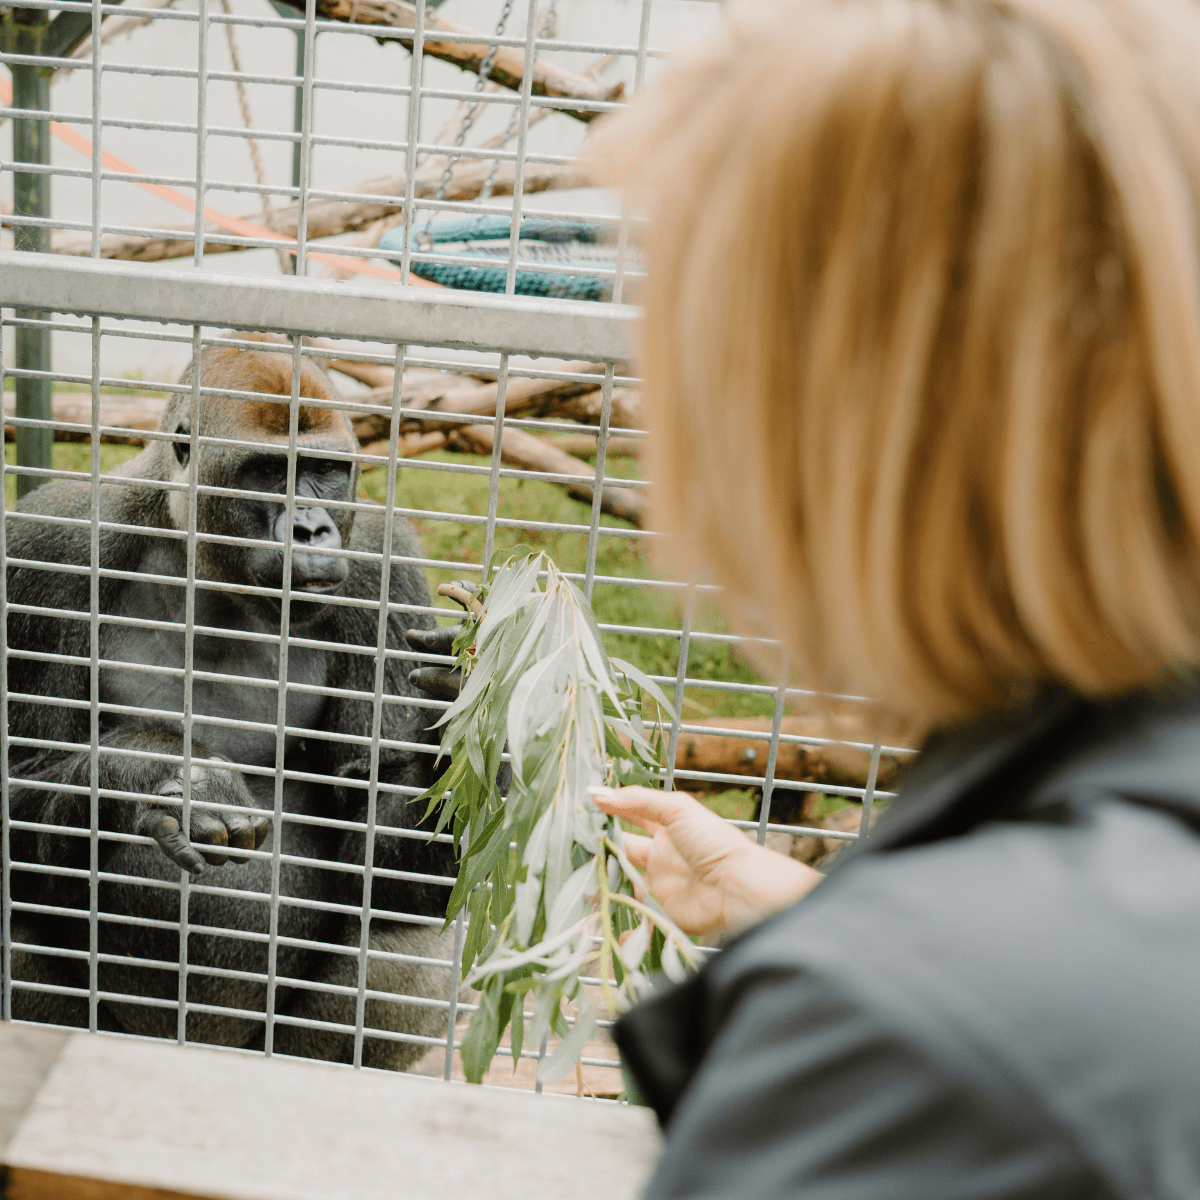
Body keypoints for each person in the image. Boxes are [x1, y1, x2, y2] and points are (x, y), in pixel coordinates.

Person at [583, 0, 1200, 1195]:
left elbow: (996, 1047)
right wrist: (824, 915)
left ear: (829, 431)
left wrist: (879, 971)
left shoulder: (907, 1046)